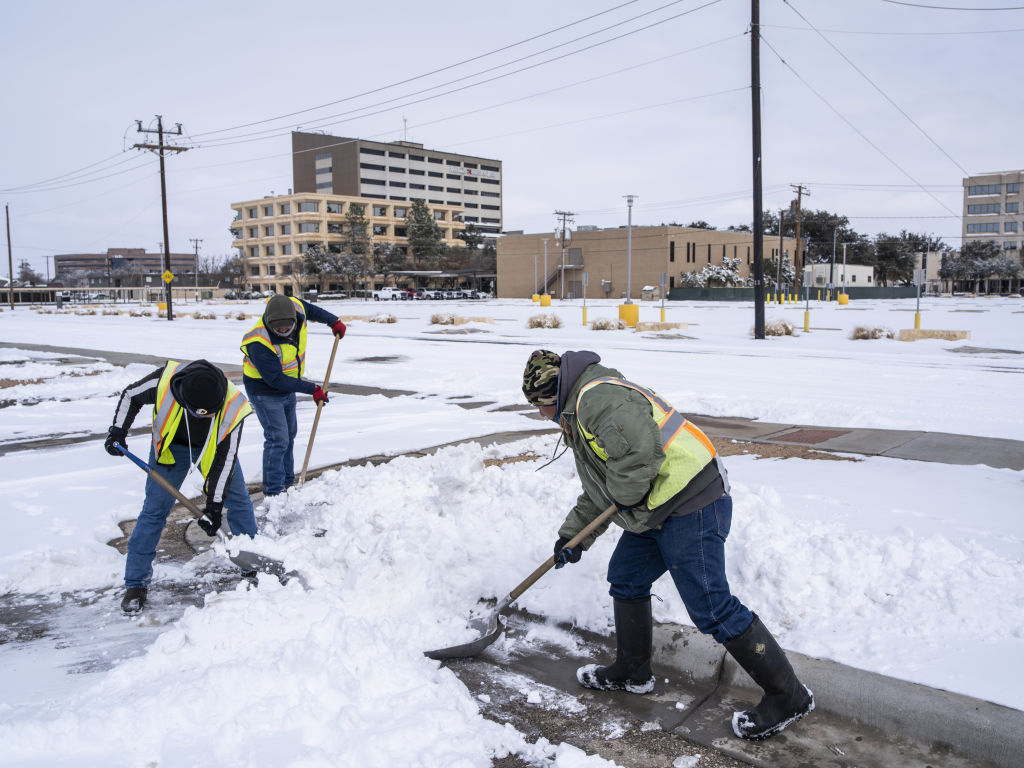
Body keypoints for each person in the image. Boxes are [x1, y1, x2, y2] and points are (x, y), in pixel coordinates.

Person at [521, 349, 814, 741]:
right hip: (655, 505)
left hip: (692, 497)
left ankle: (789, 695)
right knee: (626, 576)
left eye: (539, 407)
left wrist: (625, 496)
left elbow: (639, 459)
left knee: (711, 605)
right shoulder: (580, 408)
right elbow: (603, 488)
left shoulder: (596, 399)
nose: (541, 416)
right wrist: (573, 536)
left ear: (550, 396)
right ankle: (632, 671)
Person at [104, 359, 258, 614]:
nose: (206, 416)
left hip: (214, 450)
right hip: (170, 450)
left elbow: (226, 459)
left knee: (239, 503)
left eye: (210, 412)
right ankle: (136, 584)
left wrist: (214, 507)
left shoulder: (233, 405)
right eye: (200, 413)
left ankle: (252, 567)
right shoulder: (165, 381)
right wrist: (118, 431)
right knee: (154, 511)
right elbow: (131, 395)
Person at [240, 294, 346, 497]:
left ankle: (287, 483)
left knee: (289, 435)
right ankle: (273, 491)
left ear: (294, 318)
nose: (282, 329)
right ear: (268, 320)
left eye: (286, 325)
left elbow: (312, 310)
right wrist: (312, 390)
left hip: (288, 387)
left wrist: (333, 321)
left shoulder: (297, 308)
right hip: (264, 392)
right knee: (277, 438)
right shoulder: (258, 342)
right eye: (276, 326)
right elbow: (275, 380)